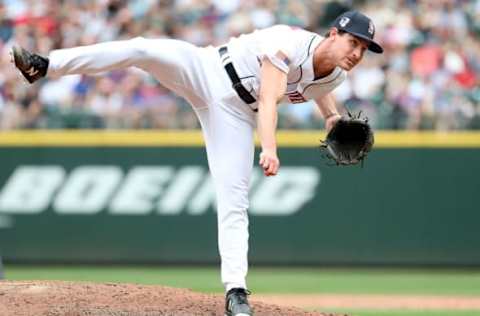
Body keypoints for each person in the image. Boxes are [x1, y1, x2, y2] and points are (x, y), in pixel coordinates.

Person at [11, 10, 383, 316]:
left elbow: (319, 88)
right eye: (353, 42)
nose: (357, 53)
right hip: (205, 67)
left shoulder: (336, 73)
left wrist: (331, 118)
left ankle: (236, 291)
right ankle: (45, 65)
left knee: (234, 197)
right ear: (333, 34)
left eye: (364, 49)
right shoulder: (291, 43)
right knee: (142, 49)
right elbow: (270, 98)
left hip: (235, 114)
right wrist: (268, 148)